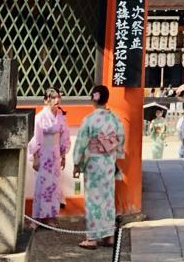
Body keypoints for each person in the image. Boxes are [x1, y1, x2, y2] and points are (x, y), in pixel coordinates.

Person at [72, 85, 125, 251]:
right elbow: (120, 138)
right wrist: (115, 155)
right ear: (106, 99)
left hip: (93, 163)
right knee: (107, 198)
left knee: (93, 199)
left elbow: (81, 142)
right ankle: (108, 236)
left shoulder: (89, 120)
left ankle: (92, 238)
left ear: (93, 99)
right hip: (108, 161)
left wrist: (76, 162)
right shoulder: (115, 119)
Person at [28, 89, 69, 224]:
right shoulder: (40, 117)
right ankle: (38, 217)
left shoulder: (61, 116)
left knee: (54, 185)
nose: (56, 100)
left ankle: (51, 215)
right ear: (46, 100)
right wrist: (35, 157)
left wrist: (63, 155)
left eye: (58, 97)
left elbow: (64, 136)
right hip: (44, 153)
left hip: (56, 153)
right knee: (42, 184)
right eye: (53, 98)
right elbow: (36, 137)